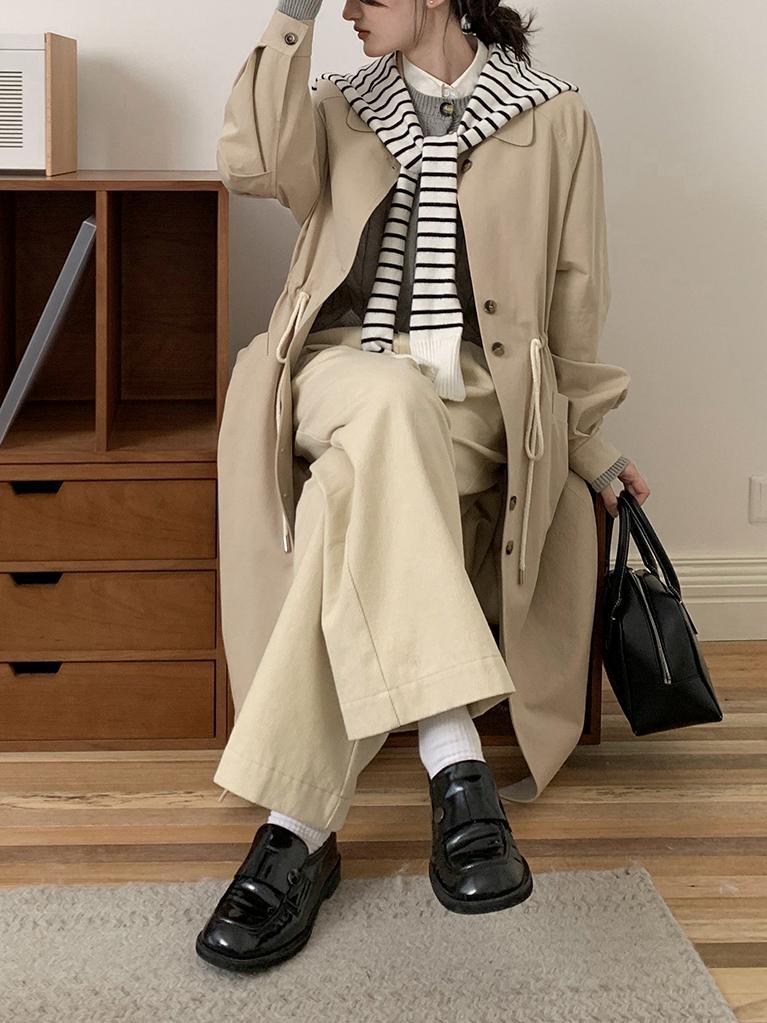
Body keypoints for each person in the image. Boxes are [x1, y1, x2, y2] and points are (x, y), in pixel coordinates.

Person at [196, 0, 651, 973]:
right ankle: (455, 757)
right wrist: (291, 14)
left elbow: (573, 298)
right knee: (388, 397)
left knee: (344, 499)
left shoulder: (551, 116)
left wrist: (586, 446)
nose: (348, 10)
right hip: (338, 369)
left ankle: (297, 831)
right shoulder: (337, 102)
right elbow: (250, 163)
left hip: (477, 396)